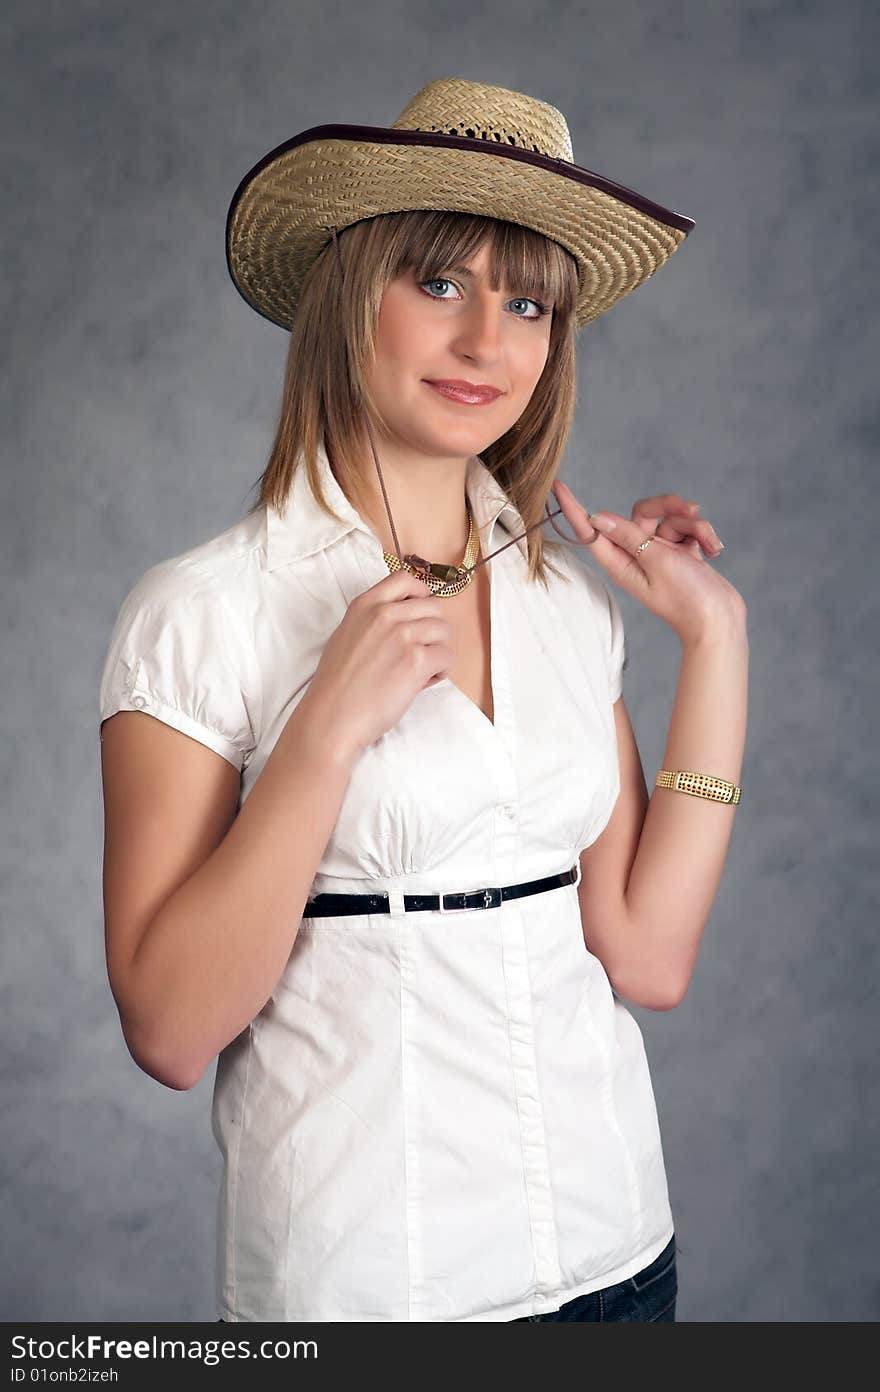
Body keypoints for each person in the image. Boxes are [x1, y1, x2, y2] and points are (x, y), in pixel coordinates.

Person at [98, 78, 748, 1323]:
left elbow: (646, 957)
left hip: (619, 1258)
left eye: (528, 304)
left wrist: (715, 647)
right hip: (373, 1289)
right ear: (352, 295)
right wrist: (326, 732)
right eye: (440, 283)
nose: (486, 345)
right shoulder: (204, 609)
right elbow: (172, 1033)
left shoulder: (568, 603)